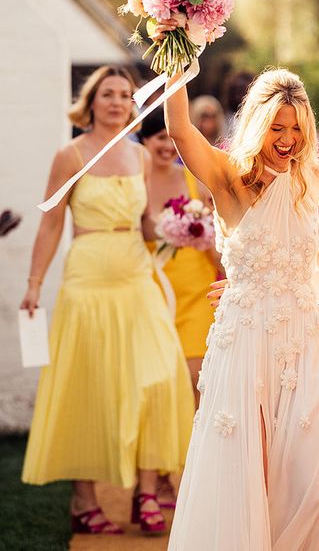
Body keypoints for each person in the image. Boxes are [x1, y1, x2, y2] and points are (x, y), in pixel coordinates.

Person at [163, 67, 319, 550]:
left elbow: (309, 244)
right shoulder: (228, 178)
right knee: (249, 469)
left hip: (302, 336)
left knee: (306, 476)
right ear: (258, 125)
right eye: (277, 127)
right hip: (249, 340)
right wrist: (176, 48)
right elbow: (179, 130)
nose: (288, 139)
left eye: (296, 128)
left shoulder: (308, 177)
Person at [20, 65, 194, 536]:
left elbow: (143, 222)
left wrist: (180, 230)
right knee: (90, 385)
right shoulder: (70, 154)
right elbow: (52, 222)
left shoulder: (139, 158)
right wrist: (35, 282)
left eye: (124, 94)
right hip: (88, 278)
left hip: (137, 274)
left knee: (157, 376)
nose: (117, 102)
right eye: (108, 94)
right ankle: (84, 500)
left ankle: (147, 493)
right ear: (91, 103)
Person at [138, 108, 220, 403]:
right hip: (153, 291)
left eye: (172, 138)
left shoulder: (193, 179)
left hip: (197, 289)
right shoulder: (136, 182)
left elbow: (217, 226)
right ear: (145, 140)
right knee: (159, 382)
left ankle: (193, 446)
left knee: (196, 375)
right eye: (160, 138)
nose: (167, 146)